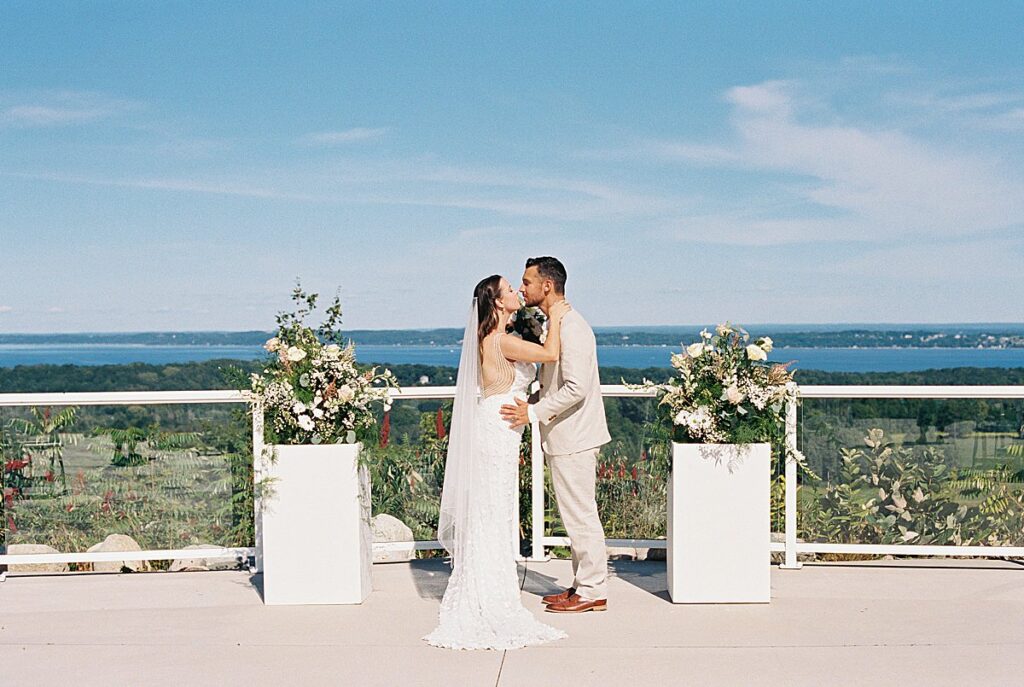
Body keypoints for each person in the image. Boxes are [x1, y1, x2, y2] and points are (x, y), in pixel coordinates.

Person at [424, 274, 570, 650]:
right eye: (509, 290)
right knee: (494, 508)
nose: (517, 292)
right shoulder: (500, 340)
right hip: (498, 427)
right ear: (499, 302)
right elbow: (551, 354)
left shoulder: (492, 338)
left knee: (493, 507)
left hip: (500, 424)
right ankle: (490, 592)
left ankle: (488, 581)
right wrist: (556, 316)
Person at [500, 256, 611, 613]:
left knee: (581, 516)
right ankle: (581, 584)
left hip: (575, 437)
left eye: (527, 282)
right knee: (574, 515)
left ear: (547, 285)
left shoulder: (572, 327)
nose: (522, 288)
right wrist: (535, 399)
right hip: (566, 436)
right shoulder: (558, 323)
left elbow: (577, 387)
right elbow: (558, 383)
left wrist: (533, 413)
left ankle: (593, 591)